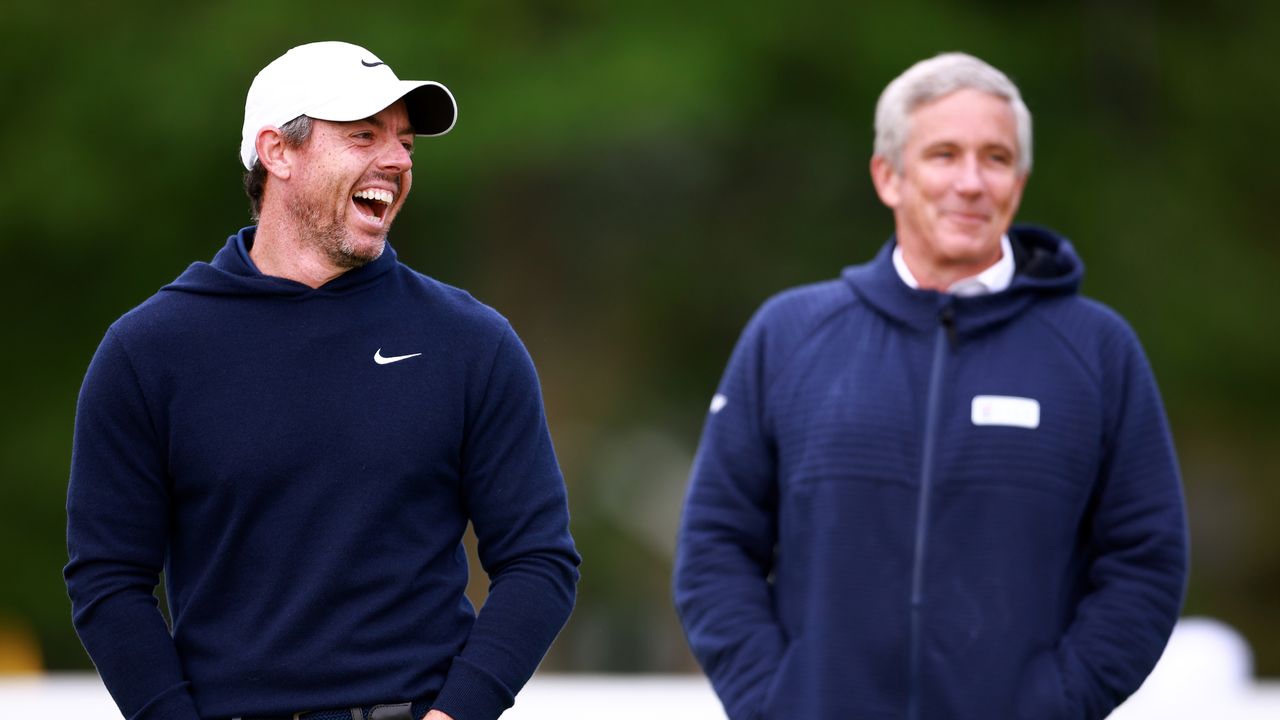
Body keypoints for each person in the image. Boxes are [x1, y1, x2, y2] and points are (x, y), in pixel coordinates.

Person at [65, 41, 580, 720]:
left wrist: (459, 713)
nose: (396, 160)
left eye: (404, 141)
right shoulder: (149, 350)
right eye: (364, 135)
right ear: (277, 153)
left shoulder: (471, 343)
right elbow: (108, 579)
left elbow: (540, 562)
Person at [673, 52, 1188, 720]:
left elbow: (1146, 560)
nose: (971, 183)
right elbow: (714, 546)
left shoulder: (1097, 350)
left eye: (996, 158)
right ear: (888, 176)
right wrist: (779, 703)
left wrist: (1057, 703)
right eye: (944, 154)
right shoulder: (789, 335)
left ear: (1020, 181)